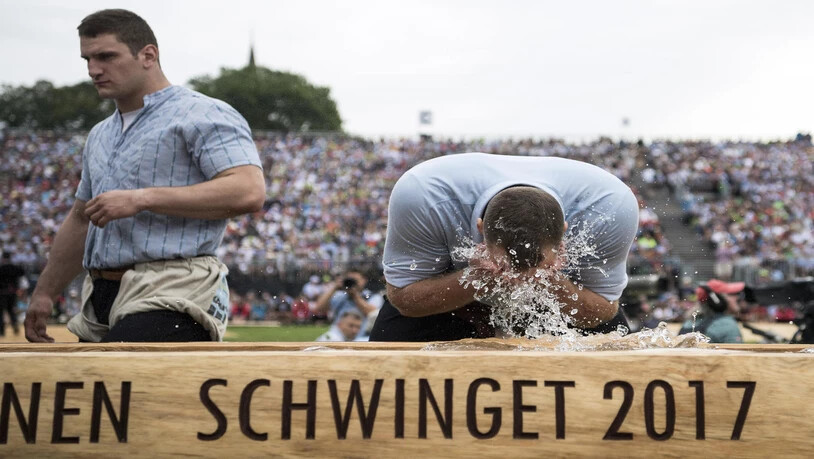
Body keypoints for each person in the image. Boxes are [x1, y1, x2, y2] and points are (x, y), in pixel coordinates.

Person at [24, 9, 265, 343]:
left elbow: (248, 190)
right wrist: (45, 291)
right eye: (88, 59)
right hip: (101, 293)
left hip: (176, 287)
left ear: (148, 55)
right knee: (88, 391)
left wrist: (141, 198)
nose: (94, 70)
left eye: (106, 56)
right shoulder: (100, 133)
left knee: (117, 381)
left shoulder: (203, 113)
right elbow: (82, 218)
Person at [369, 153, 639, 342]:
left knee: (619, 354)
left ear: (564, 237)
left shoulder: (609, 208)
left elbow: (602, 310)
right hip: (453, 301)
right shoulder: (422, 195)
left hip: (550, 304)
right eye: (505, 265)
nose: (516, 279)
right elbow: (404, 299)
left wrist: (552, 282)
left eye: (536, 263)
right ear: (480, 229)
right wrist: (476, 279)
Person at [313, 271, 383, 340]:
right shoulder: (340, 296)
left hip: (361, 338)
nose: (351, 283)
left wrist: (355, 296)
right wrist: (335, 287)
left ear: (364, 280)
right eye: (349, 280)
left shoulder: (372, 296)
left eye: (355, 280)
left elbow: (373, 314)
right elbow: (319, 308)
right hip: (339, 337)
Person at [678, 279, 743, 343]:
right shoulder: (727, 325)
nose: (738, 297)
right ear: (718, 301)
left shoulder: (688, 323)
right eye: (732, 294)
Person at [0, 252, 26, 337]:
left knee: (1, 312)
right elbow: (22, 272)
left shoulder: (1, 268)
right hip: (12, 293)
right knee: (11, 311)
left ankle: (2, 331)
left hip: (2, 293)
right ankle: (15, 327)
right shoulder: (15, 268)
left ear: (3, 258)